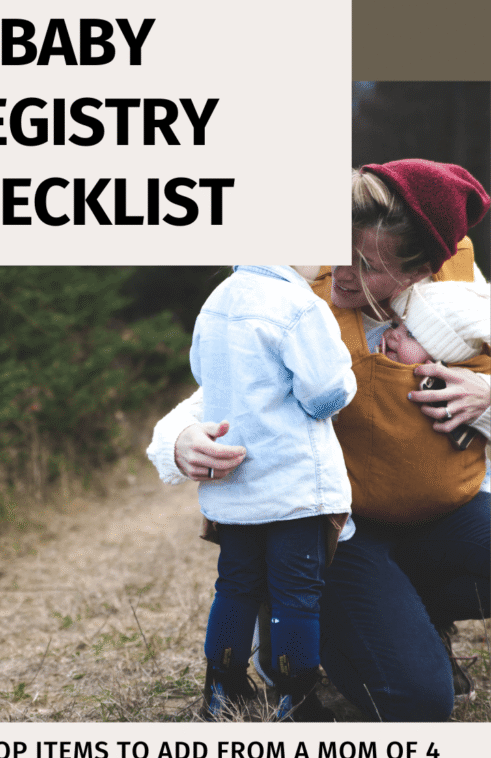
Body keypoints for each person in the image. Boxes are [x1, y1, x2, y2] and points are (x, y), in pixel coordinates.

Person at [147, 159, 491, 721]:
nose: (341, 270)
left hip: (443, 513)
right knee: (419, 703)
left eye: (368, 265)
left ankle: (415, 605)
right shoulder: (297, 296)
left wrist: (485, 395)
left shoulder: (462, 297)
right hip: (336, 530)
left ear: (423, 268)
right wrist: (179, 438)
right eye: (339, 250)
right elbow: (222, 389)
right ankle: (285, 610)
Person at [191, 264, 356, 721]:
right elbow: (325, 396)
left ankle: (221, 690)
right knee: (295, 594)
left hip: (236, 484)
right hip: (292, 485)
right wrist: (348, 380)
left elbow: (201, 372)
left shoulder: (217, 299)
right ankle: (297, 698)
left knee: (236, 586)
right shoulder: (298, 305)